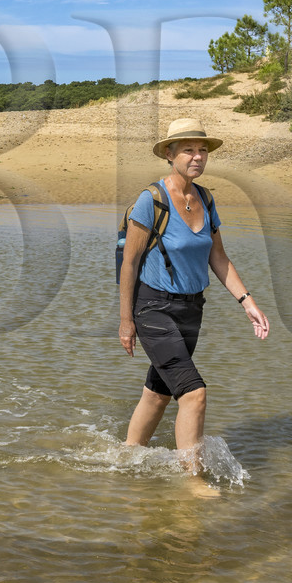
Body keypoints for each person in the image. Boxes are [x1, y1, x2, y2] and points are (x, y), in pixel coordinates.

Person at [119, 117, 269, 477]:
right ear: (170, 154)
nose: (197, 157)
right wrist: (126, 321)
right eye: (188, 150)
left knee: (159, 391)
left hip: (191, 310)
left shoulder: (205, 198)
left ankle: (126, 457)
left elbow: (217, 257)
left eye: (202, 150)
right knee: (194, 393)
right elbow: (129, 262)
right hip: (152, 308)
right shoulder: (151, 200)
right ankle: (193, 480)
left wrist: (247, 302)